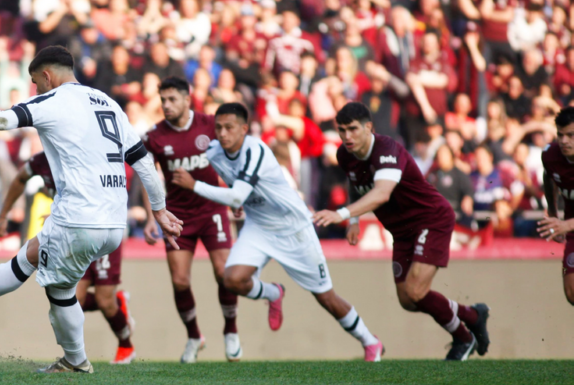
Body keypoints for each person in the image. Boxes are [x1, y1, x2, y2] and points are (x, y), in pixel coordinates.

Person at [0, 46, 180, 374]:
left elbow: (3, 119)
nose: (35, 90)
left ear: (46, 75)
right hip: (114, 223)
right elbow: (143, 161)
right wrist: (159, 209)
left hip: (79, 217)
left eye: (34, 82)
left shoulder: (52, 100)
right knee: (32, 254)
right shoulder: (108, 103)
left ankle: (75, 360)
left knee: (60, 291)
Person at [171, 103, 383, 361]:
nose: (223, 133)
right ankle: (274, 292)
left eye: (229, 127)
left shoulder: (256, 149)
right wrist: (241, 201)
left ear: (244, 129)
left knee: (325, 297)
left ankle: (370, 341)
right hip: (259, 226)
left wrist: (197, 186)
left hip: (293, 227)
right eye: (218, 128)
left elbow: (237, 195)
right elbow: (235, 186)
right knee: (232, 280)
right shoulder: (215, 153)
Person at [314, 103, 490, 361]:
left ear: (369, 127)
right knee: (408, 300)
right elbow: (356, 183)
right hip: (402, 230)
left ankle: (464, 338)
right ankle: (473, 315)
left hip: (430, 219)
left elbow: (382, 192)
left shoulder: (387, 149)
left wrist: (343, 214)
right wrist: (354, 221)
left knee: (416, 291)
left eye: (353, 129)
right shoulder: (345, 155)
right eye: (342, 130)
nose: (347, 136)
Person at [0, 151, 137, 365]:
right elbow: (20, 178)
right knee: (75, 300)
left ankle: (126, 345)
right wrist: (3, 214)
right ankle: (76, 356)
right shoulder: (40, 160)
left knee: (104, 300)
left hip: (100, 230)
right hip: (71, 234)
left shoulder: (83, 153)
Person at [142, 76, 247, 363]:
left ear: (188, 99)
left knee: (224, 273)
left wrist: (236, 197)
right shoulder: (154, 136)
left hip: (211, 210)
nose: (166, 105)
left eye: (172, 99)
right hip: (177, 215)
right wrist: (154, 215)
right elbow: (146, 175)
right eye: (163, 99)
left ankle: (231, 331)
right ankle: (193, 336)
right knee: (179, 280)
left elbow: (232, 159)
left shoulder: (211, 125)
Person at [536, 107, 574, 306]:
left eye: (571, 135)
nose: (564, 140)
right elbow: (549, 176)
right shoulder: (551, 156)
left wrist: (566, 225)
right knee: (572, 292)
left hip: (570, 225)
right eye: (560, 135)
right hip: (572, 227)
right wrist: (553, 212)